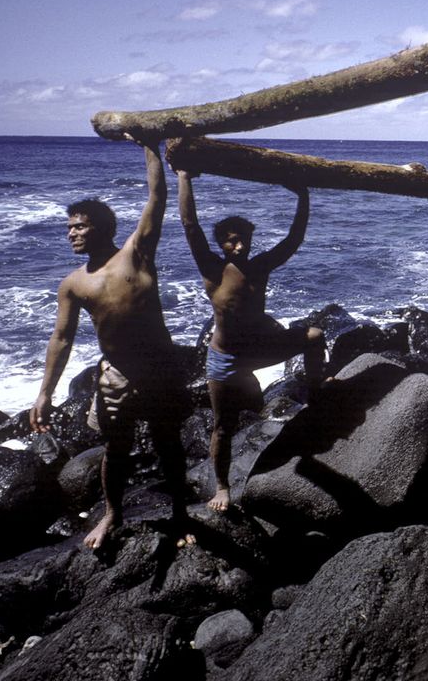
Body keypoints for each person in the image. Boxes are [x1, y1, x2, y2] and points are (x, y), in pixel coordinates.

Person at [30, 138, 191, 550]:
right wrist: (45, 393)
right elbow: (62, 338)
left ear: (101, 228)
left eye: (79, 226)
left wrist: (150, 146)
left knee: (168, 443)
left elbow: (156, 197)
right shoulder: (74, 283)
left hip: (160, 367)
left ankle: (181, 514)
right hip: (116, 375)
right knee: (115, 449)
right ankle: (112, 514)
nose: (71, 233)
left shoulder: (137, 254)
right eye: (69, 227)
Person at [176, 170, 325, 512]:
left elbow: (293, 239)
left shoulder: (260, 266)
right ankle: (222, 487)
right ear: (221, 243)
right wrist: (184, 177)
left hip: (260, 350)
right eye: (232, 240)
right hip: (226, 359)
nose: (240, 246)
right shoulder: (212, 269)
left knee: (315, 336)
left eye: (244, 239)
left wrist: (303, 195)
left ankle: (317, 395)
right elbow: (189, 225)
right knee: (222, 427)